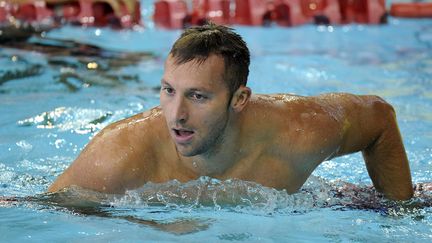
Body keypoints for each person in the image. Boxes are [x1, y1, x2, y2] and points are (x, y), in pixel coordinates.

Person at [48, 23, 414, 201]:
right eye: (168, 91)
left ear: (239, 99)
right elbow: (44, 212)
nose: (176, 114)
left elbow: (379, 117)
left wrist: (398, 211)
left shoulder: (299, 132)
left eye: (198, 97)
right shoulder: (118, 155)